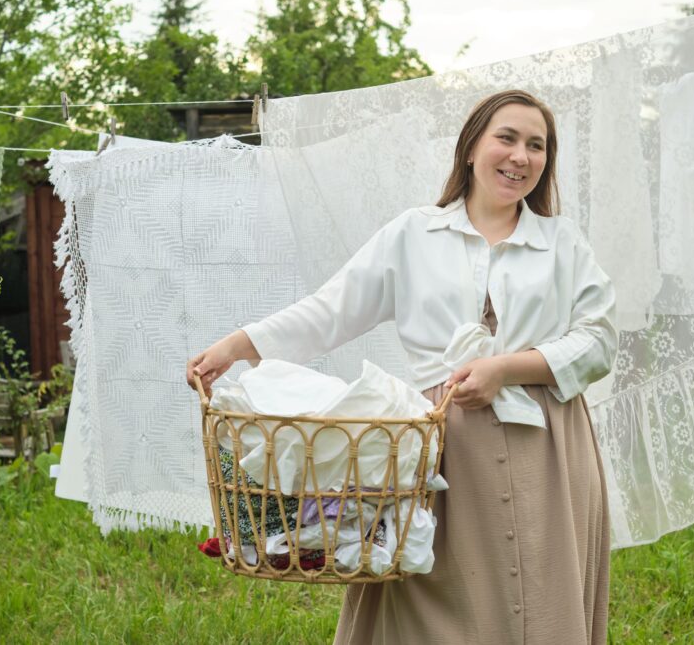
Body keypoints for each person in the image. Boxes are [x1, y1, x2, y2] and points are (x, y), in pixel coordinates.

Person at [187, 90, 617, 644]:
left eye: (536, 146)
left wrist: (505, 369)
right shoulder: (414, 234)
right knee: (432, 591)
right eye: (506, 138)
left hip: (547, 443)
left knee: (540, 586)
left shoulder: (562, 243)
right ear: (471, 148)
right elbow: (331, 309)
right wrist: (235, 346)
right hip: (440, 442)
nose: (520, 157)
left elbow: (599, 340)